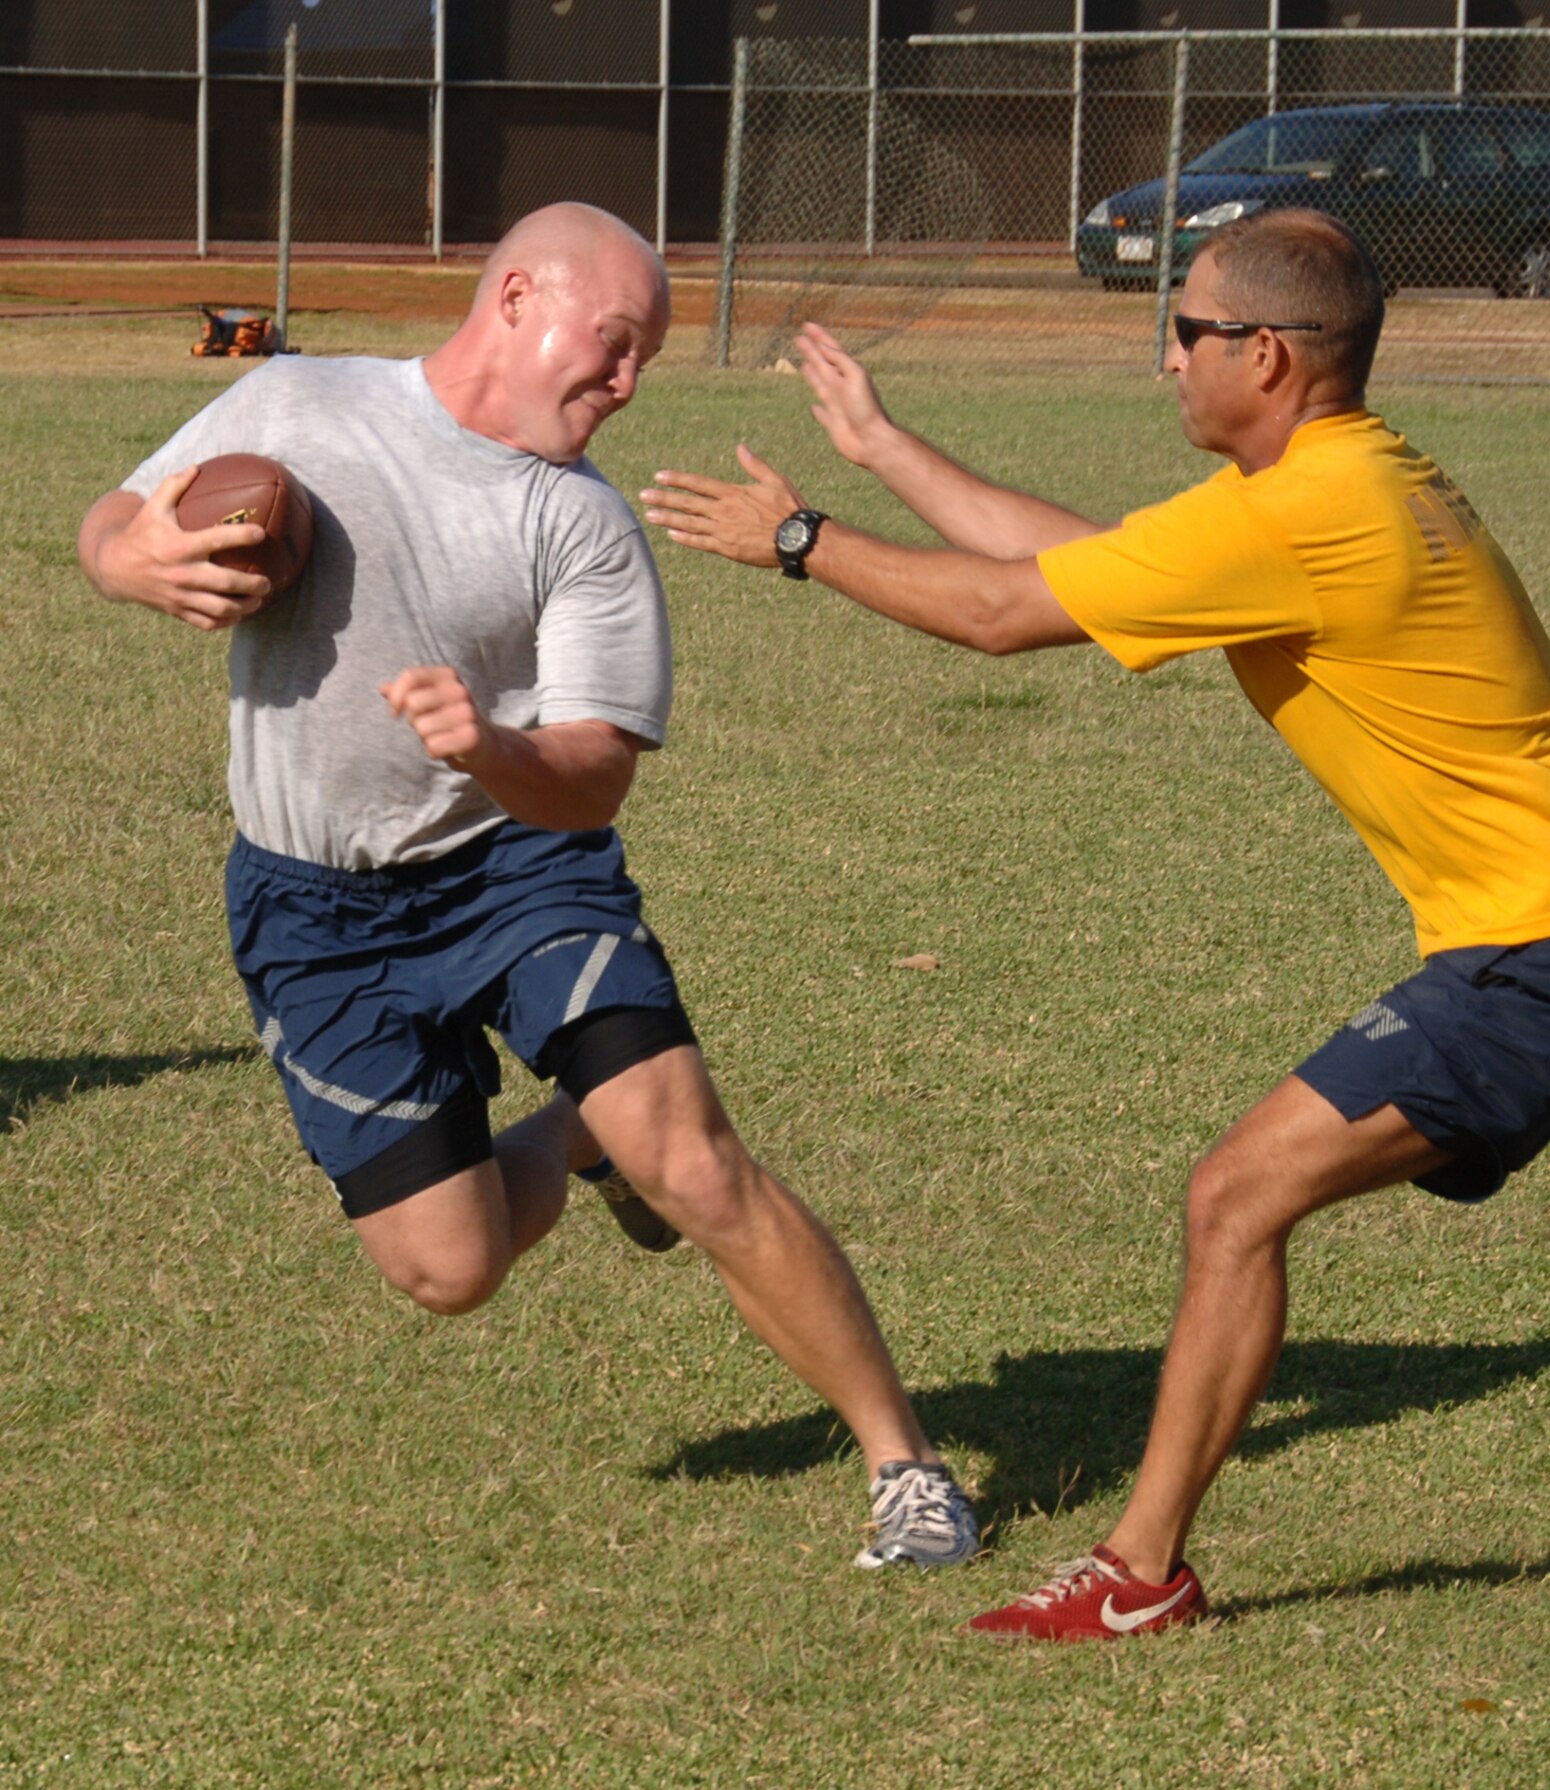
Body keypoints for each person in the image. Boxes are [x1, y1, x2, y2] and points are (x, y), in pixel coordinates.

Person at [639, 208, 1550, 1637]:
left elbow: (996, 615)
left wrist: (799, 538)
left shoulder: (1308, 510)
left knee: (1238, 1194)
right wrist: (884, 451)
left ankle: (1139, 1572)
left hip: (1545, 946)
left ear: (1267, 357)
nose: (1165, 358)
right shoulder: (1339, 479)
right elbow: (1091, 568)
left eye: (1186, 332)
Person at [75, 201, 978, 1572]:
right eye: (613, 349)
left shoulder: (583, 526)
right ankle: (572, 1138)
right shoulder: (300, 403)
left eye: (642, 366)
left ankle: (905, 1465)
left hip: (518, 867)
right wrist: (127, 558)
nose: (626, 386)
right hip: (314, 907)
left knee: (695, 1159)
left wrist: (486, 747)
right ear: (513, 301)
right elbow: (117, 520)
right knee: (451, 1267)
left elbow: (594, 777)